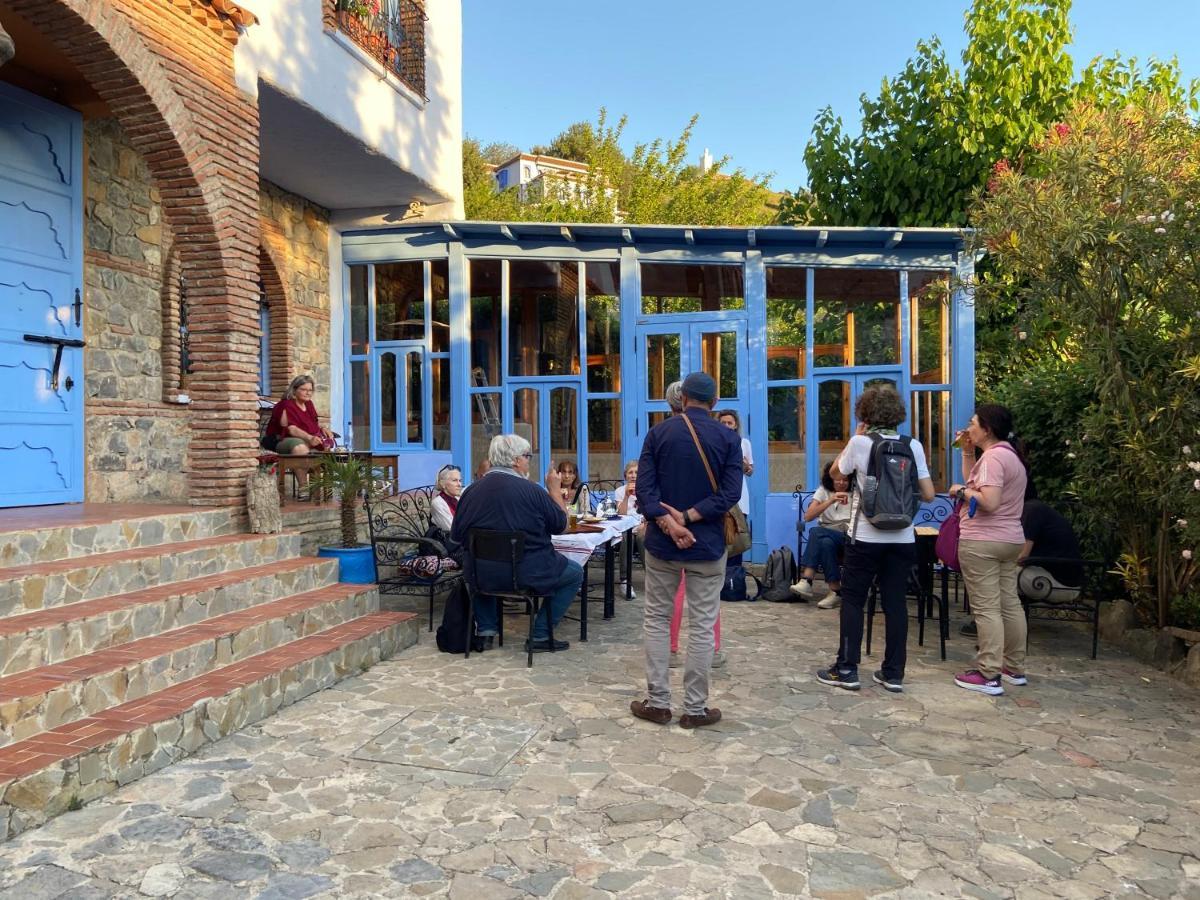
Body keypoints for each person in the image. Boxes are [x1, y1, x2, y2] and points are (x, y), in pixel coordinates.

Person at [632, 372, 742, 728]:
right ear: (715, 400)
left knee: (657, 620)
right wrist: (691, 517)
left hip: (663, 544)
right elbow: (730, 494)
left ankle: (659, 702)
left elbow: (644, 492)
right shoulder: (728, 437)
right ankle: (695, 709)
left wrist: (670, 523)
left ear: (683, 397)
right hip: (707, 545)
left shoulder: (658, 434)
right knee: (702, 626)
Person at [816, 385, 935, 694]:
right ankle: (893, 673)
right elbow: (929, 494)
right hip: (903, 538)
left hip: (865, 536)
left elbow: (834, 473)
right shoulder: (914, 446)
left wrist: (854, 438)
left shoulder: (860, 442)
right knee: (895, 603)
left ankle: (847, 669)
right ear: (898, 414)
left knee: (853, 600)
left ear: (865, 413)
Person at [450, 434, 584, 654]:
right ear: (515, 461)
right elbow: (561, 525)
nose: (529, 461)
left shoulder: (470, 492)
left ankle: (486, 630)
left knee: (481, 562)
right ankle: (540, 634)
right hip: (528, 573)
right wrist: (553, 489)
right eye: (527, 456)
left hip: (481, 574)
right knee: (574, 573)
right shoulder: (532, 491)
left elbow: (456, 537)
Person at [948, 404, 1031, 695]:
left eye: (972, 423)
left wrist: (959, 491)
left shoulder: (995, 458)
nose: (968, 428)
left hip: (984, 539)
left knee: (986, 608)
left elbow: (989, 500)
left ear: (987, 428)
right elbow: (979, 482)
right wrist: (967, 452)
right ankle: (1013, 667)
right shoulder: (1009, 455)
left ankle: (988, 673)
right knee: (1009, 603)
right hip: (1010, 539)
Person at [790, 461, 852, 608]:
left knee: (816, 532)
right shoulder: (824, 491)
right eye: (838, 479)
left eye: (846, 480)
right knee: (825, 543)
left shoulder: (856, 492)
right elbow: (808, 516)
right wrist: (830, 500)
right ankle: (835, 591)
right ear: (831, 479)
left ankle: (807, 579)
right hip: (828, 537)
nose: (842, 483)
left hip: (847, 538)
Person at [1018, 499, 1083, 601]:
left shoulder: (1032, 510)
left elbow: (1021, 557)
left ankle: (999, 616)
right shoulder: (1035, 508)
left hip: (1060, 586)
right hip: (1053, 579)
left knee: (993, 575)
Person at [262, 375, 336, 455]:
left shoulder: (309, 404)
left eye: (310, 390)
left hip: (305, 438)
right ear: (294, 390)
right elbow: (291, 429)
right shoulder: (286, 404)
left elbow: (313, 424)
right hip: (281, 440)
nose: (308, 393)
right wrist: (310, 438)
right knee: (300, 446)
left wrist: (323, 429)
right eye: (303, 389)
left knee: (325, 446)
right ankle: (301, 467)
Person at [613, 459, 645, 600]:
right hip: (626, 527)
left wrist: (646, 524)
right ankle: (625, 580)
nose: (633, 475)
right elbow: (621, 514)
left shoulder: (646, 489)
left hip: (643, 526)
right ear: (625, 475)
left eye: (637, 472)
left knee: (643, 537)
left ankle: (651, 579)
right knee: (626, 537)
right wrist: (626, 495)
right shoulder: (620, 491)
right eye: (630, 472)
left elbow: (651, 511)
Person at [430, 464, 463, 539]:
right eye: (454, 480)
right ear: (443, 484)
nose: (459, 484)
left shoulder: (457, 499)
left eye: (460, 480)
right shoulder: (438, 503)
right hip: (449, 544)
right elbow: (451, 529)